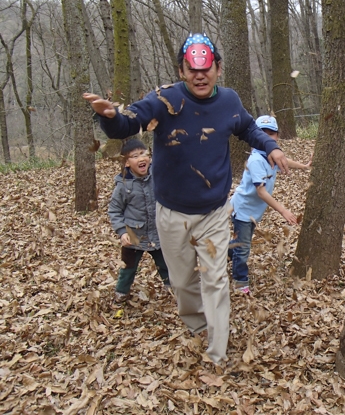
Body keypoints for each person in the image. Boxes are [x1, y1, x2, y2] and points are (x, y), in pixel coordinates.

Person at [83, 33, 289, 366]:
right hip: (171, 213)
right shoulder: (163, 99)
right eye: (192, 70)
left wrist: (272, 147)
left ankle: (218, 349)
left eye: (206, 69)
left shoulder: (229, 102)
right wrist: (109, 117)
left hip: (213, 211)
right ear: (182, 70)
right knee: (181, 282)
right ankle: (198, 326)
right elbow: (127, 124)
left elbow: (249, 128)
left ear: (217, 69)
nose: (199, 76)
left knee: (216, 278)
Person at [229, 115, 311, 294]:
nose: (267, 137)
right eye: (262, 134)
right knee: (243, 249)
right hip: (243, 210)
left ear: (277, 136)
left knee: (241, 243)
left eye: (271, 134)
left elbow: (285, 162)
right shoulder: (256, 160)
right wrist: (284, 211)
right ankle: (240, 281)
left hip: (252, 212)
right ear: (254, 137)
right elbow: (261, 192)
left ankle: (224, 252)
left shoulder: (271, 154)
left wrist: (304, 166)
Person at [108, 138, 171, 304]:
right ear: (127, 163)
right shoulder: (123, 185)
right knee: (127, 267)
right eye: (135, 156)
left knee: (165, 263)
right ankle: (121, 293)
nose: (141, 158)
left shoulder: (157, 176)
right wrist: (121, 232)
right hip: (133, 235)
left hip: (156, 233)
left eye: (144, 154)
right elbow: (115, 210)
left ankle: (172, 288)